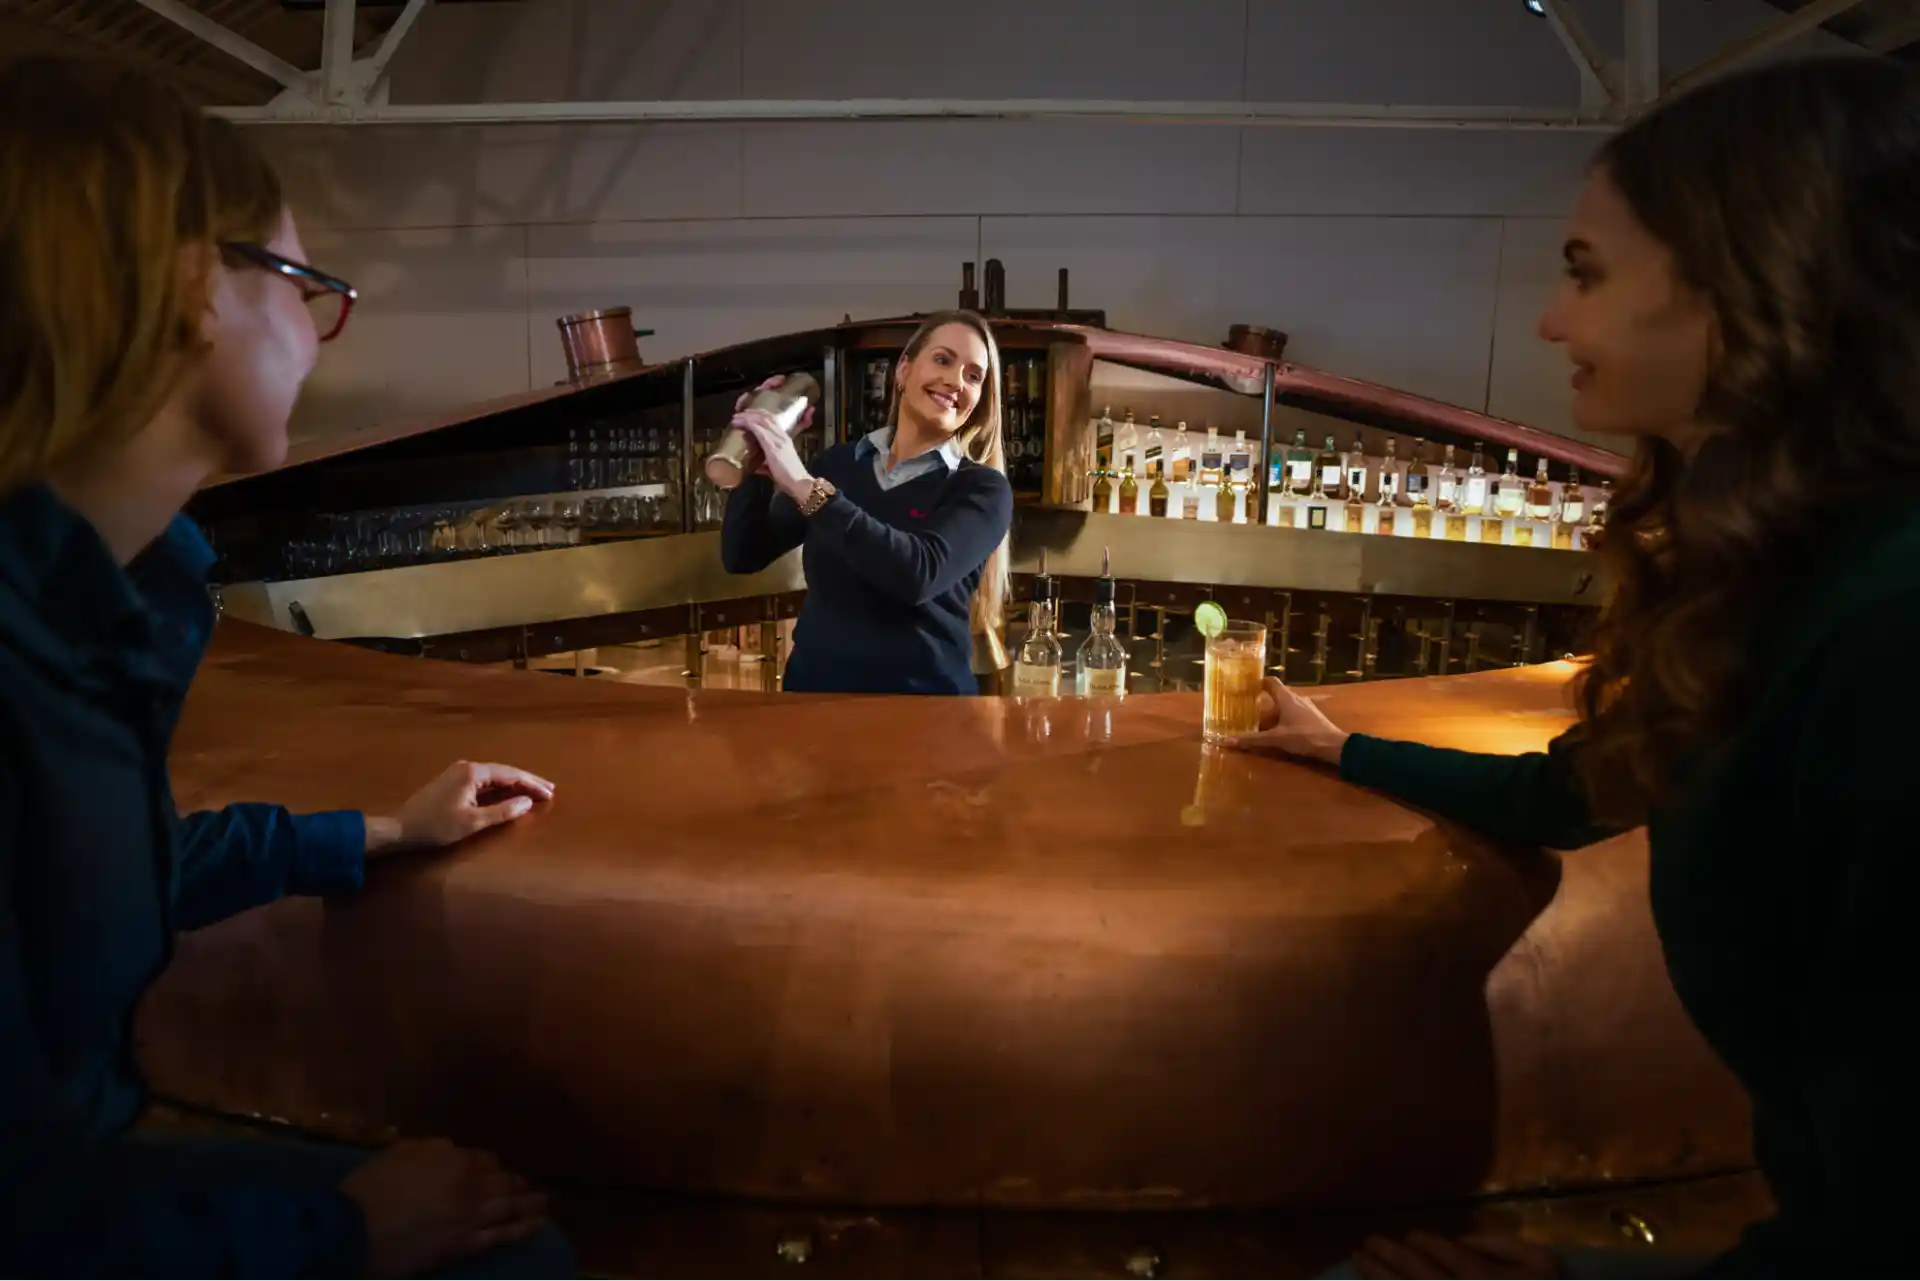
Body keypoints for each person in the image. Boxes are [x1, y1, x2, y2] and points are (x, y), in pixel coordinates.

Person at [1235, 57, 1919, 1281]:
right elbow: (1572, 790)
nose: (1552, 321)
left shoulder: (1887, 621)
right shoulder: (1767, 578)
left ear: (1742, 283)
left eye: (1586, 273)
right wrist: (1338, 745)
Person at [0, 56, 576, 1280]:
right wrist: (353, 1234)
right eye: (309, 287)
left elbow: (112, 871)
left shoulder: (88, 606)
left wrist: (371, 835)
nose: (322, 339)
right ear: (196, 289)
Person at [720, 311, 1014, 695]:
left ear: (978, 400)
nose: (955, 381)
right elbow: (743, 555)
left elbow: (916, 574)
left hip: (924, 719)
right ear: (903, 370)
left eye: (973, 376)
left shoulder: (982, 489)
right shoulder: (839, 465)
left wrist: (807, 488)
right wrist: (755, 465)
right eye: (942, 360)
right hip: (812, 703)